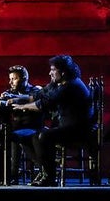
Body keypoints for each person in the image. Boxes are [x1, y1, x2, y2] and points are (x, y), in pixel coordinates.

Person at [12, 54, 93, 186]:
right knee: (33, 136)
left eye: (53, 70)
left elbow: (44, 104)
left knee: (43, 135)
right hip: (67, 127)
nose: (50, 73)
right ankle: (45, 170)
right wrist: (15, 99)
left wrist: (22, 107)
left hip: (77, 130)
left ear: (63, 71)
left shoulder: (70, 86)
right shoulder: (61, 83)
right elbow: (39, 94)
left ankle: (49, 176)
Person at [0, 64, 43, 184]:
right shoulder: (9, 92)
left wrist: (14, 99)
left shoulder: (36, 89)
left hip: (32, 127)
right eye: (10, 79)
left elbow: (35, 98)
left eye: (14, 79)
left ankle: (13, 174)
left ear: (24, 79)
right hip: (15, 127)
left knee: (13, 137)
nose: (10, 82)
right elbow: (3, 102)